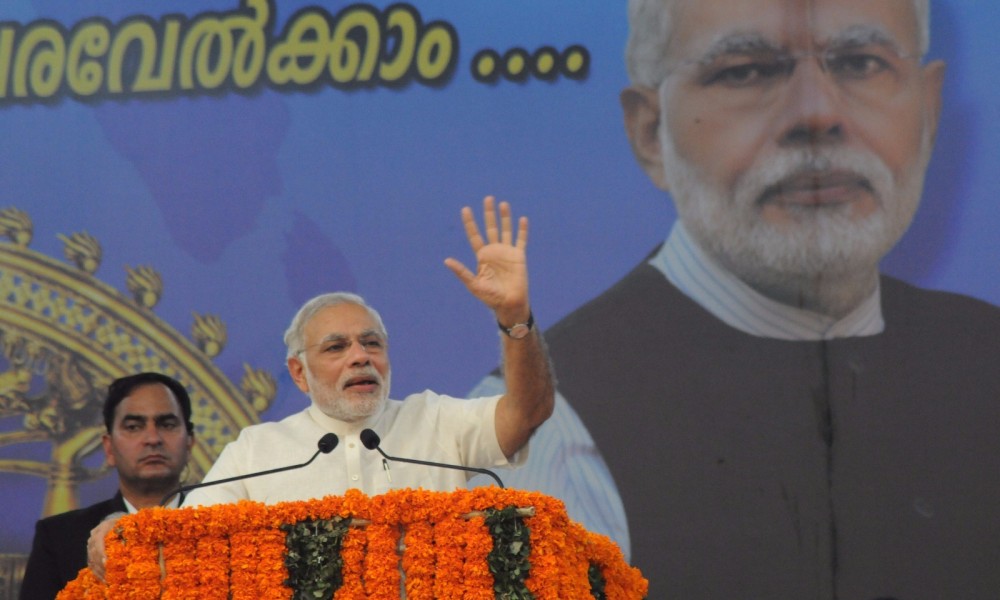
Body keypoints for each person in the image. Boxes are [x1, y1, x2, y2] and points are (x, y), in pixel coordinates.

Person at [473, 1, 1000, 598]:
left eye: (861, 63)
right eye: (746, 70)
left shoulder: (986, 357)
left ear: (928, 110)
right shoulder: (543, 435)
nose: (818, 113)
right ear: (650, 132)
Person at [87, 196, 555, 578]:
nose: (360, 356)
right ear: (298, 373)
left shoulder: (434, 421)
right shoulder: (257, 451)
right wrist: (117, 526)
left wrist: (514, 318)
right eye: (336, 347)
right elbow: (181, 536)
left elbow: (528, 411)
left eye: (372, 343)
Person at [19, 372, 195, 600]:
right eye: (134, 427)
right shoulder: (59, 537)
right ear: (109, 448)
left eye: (167, 424)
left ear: (190, 443)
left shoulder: (222, 534)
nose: (153, 438)